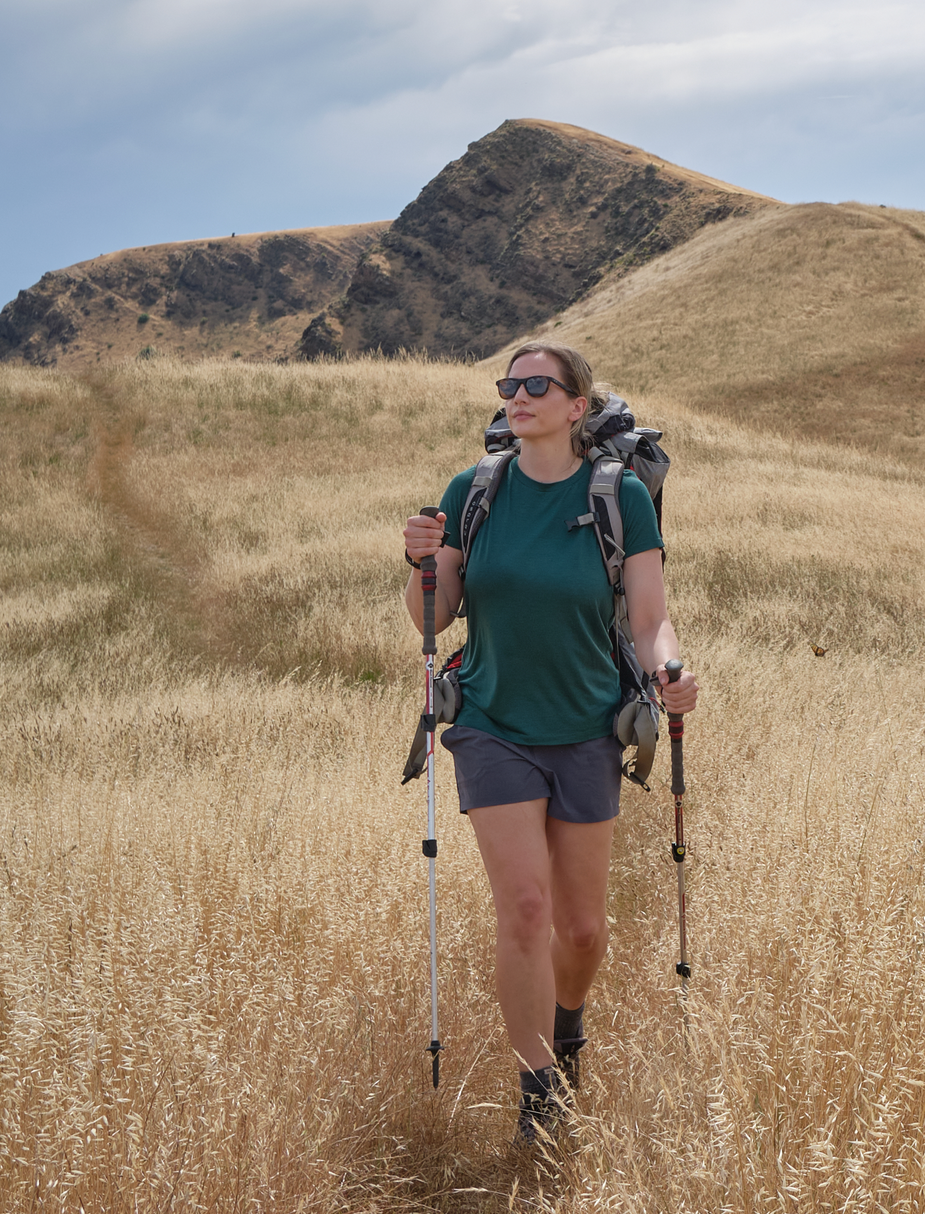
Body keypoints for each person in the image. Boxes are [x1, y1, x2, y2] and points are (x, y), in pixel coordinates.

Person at [402, 342, 698, 1144]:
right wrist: (419, 562)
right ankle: (540, 1097)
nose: (518, 395)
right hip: (494, 725)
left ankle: (569, 1032)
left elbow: (648, 618)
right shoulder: (473, 492)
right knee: (525, 908)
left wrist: (669, 668)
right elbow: (434, 618)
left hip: (586, 730)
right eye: (510, 385)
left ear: (577, 406)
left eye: (539, 384)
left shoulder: (619, 497)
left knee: (582, 931)